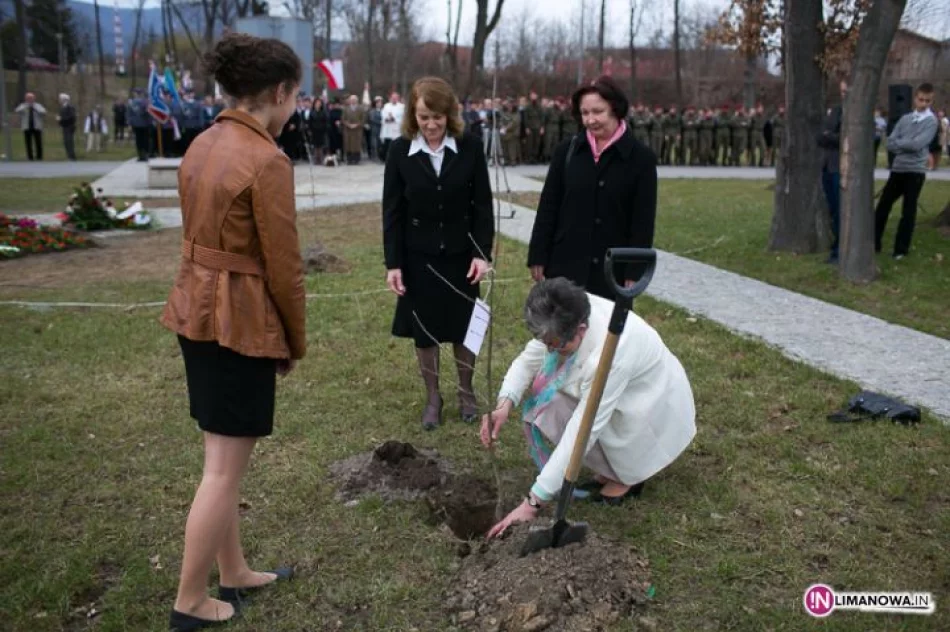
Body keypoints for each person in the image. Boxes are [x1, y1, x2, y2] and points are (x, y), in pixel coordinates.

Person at [159, 32, 306, 631]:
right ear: (278, 91)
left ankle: (234, 570)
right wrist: (294, 340)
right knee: (222, 470)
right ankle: (190, 601)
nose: (296, 106)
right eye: (296, 95)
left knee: (220, 459)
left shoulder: (200, 142)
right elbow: (284, 266)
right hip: (237, 324)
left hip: (192, 313)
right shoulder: (266, 160)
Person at [481, 278, 696, 536]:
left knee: (585, 421)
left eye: (556, 345)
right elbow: (529, 360)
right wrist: (504, 404)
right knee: (552, 403)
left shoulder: (610, 355)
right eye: (545, 342)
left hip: (650, 403)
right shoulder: (565, 313)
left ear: (581, 329)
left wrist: (533, 503)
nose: (550, 350)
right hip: (620, 391)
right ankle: (610, 467)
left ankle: (629, 476)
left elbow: (582, 431)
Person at [382, 76, 494, 430]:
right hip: (419, 259)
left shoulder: (471, 147)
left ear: (450, 115)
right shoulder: (400, 151)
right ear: (413, 116)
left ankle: (466, 390)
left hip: (462, 258)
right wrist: (394, 264)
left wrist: (481, 254)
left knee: (465, 328)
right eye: (424, 117)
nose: (431, 125)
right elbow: (392, 212)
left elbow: (482, 206)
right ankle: (433, 396)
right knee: (425, 331)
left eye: (438, 117)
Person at [527, 75, 658, 300]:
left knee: (604, 333)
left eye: (598, 112)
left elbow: (643, 220)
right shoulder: (567, 151)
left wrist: (634, 269)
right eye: (585, 113)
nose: (590, 120)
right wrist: (538, 254)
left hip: (611, 272)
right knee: (564, 332)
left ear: (615, 109)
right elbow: (549, 205)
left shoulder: (641, 158)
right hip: (565, 266)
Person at [874, 83, 938, 260]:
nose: (923, 103)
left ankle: (900, 249)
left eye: (928, 100)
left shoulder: (931, 121)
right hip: (898, 169)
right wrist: (906, 144)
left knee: (908, 212)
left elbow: (918, 144)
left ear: (931, 100)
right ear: (915, 98)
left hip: (915, 172)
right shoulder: (905, 118)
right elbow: (890, 142)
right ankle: (874, 243)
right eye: (921, 99)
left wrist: (903, 144)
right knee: (883, 206)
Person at [817, 80, 846, 264]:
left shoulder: (857, 112)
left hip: (841, 166)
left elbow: (847, 138)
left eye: (846, 91)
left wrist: (831, 136)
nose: (844, 94)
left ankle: (839, 250)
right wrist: (830, 136)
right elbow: (821, 136)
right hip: (828, 164)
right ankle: (836, 244)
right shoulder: (836, 110)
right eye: (842, 91)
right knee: (832, 209)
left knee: (840, 210)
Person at [16, 93, 46, 161]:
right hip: (27, 127)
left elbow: (43, 112)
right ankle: (30, 158)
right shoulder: (23, 105)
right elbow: (17, 110)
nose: (30, 99)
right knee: (28, 143)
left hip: (37, 127)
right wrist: (26, 106)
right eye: (28, 98)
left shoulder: (38, 105)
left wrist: (34, 107)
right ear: (26, 99)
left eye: (31, 98)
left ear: (34, 98)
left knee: (38, 142)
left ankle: (39, 157)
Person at [379, 91, 405, 162]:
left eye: (395, 98)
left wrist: (394, 118)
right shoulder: (386, 105)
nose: (394, 99)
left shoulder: (402, 106)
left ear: (398, 98)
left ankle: (397, 158)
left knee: (397, 144)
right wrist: (387, 118)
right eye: (392, 98)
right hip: (387, 128)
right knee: (387, 144)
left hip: (396, 128)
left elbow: (402, 117)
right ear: (390, 98)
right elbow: (383, 114)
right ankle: (385, 158)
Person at [128, 88, 152, 161]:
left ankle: (142, 155)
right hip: (143, 124)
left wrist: (130, 123)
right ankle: (143, 155)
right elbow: (130, 114)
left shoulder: (133, 103)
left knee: (140, 140)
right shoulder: (145, 102)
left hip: (139, 124)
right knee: (143, 140)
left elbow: (129, 114)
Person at [342, 94, 365, 164]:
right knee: (348, 144)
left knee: (356, 145)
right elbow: (343, 118)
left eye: (354, 100)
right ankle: (349, 159)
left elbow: (363, 119)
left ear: (357, 100)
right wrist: (348, 124)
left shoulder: (361, 108)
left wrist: (357, 124)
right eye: (351, 100)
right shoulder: (345, 108)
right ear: (349, 100)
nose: (353, 101)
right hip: (348, 130)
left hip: (357, 130)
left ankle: (356, 159)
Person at [309, 97, 329, 164]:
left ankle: (321, 159)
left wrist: (324, 128)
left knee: (321, 145)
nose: (318, 104)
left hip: (321, 131)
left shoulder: (323, 112)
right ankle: (316, 159)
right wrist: (311, 129)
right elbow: (310, 122)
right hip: (314, 131)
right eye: (316, 103)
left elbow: (326, 121)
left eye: (319, 103)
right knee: (315, 145)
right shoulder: (312, 112)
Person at [57, 94, 77, 161]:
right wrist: (59, 121)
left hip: (69, 127)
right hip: (64, 127)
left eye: (61, 99)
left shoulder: (70, 107)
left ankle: (72, 156)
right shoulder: (62, 107)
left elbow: (72, 117)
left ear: (64, 99)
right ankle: (69, 155)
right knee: (66, 142)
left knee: (69, 141)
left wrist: (62, 119)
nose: (60, 100)